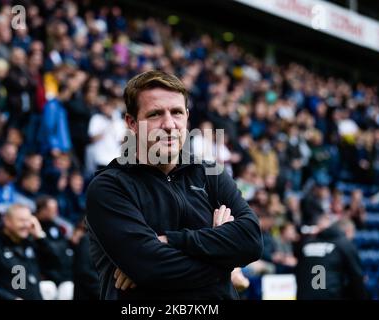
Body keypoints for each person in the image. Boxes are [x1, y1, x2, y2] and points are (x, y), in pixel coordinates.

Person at [85, 70, 263, 300]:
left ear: (187, 117)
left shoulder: (211, 173)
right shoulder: (109, 187)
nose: (169, 125)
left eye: (177, 113)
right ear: (132, 123)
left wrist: (171, 241)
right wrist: (226, 261)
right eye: (155, 114)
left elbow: (251, 240)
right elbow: (150, 267)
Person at [0, 204, 59, 300]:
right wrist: (9, 298)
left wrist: (40, 236)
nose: (26, 225)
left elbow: (56, 264)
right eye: (21, 220)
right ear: (7, 221)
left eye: (28, 220)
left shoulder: (32, 243)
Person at [295, 216, 368, 300]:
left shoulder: (307, 244)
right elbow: (357, 278)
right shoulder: (344, 244)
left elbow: (298, 272)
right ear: (348, 231)